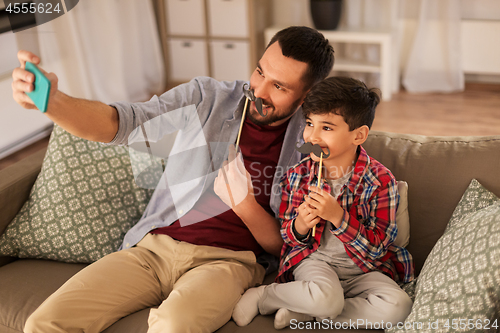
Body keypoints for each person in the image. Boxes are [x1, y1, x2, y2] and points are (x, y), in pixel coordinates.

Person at [11, 26, 334, 333]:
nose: (259, 90)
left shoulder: (312, 150)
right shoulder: (207, 98)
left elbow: (289, 247)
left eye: (279, 87)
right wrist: (54, 102)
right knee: (43, 323)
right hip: (153, 250)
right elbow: (121, 123)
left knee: (174, 325)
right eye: (260, 72)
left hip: (228, 263)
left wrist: (244, 204)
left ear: (305, 97)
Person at [231, 77, 414, 330]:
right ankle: (265, 296)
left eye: (326, 128)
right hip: (316, 262)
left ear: (358, 135)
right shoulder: (298, 175)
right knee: (326, 297)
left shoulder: (381, 181)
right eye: (309, 124)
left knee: (399, 307)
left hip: (364, 269)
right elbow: (289, 237)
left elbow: (378, 248)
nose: (312, 136)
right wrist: (301, 225)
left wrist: (339, 217)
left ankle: (305, 312)